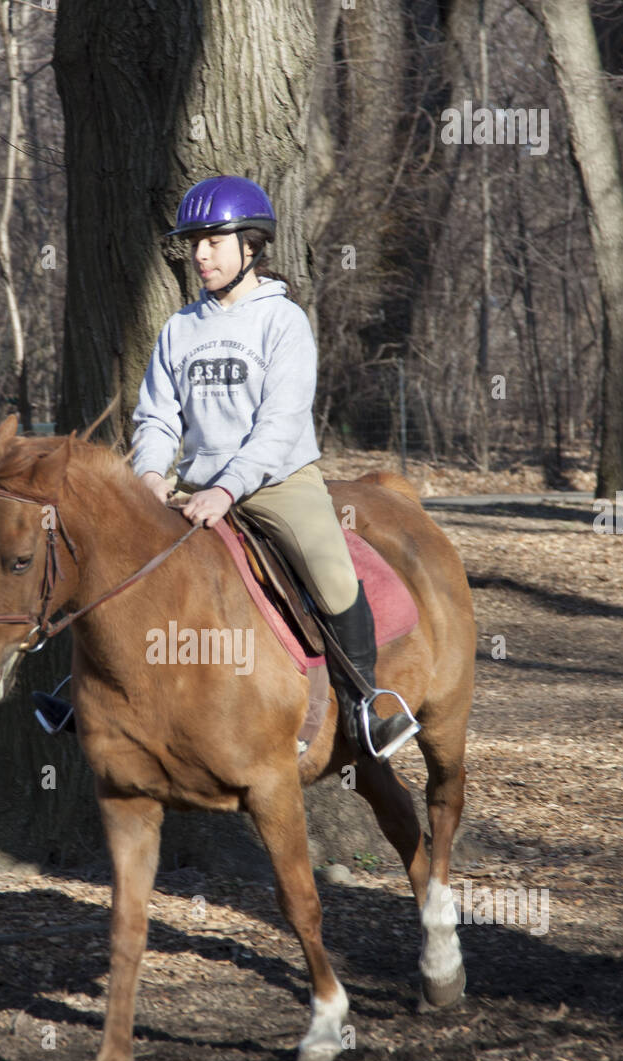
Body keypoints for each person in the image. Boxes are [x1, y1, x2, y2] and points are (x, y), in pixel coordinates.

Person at [131, 174, 418, 761]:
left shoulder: (281, 322)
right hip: (192, 484)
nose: (200, 253)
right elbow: (157, 417)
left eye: (214, 239)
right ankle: (89, 698)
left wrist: (228, 490)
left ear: (252, 245)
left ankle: (364, 706)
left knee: (332, 571)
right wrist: (152, 476)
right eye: (194, 242)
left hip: (277, 482)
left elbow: (279, 424)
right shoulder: (179, 329)